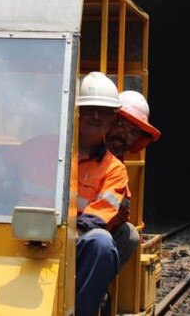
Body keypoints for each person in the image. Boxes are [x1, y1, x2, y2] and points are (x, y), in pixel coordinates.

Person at [75, 71, 129, 316]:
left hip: (74, 242)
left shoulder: (115, 170)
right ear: (75, 111)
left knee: (101, 242)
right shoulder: (44, 147)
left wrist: (65, 237)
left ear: (112, 119)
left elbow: (99, 216)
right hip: (26, 236)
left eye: (103, 111)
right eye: (88, 109)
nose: (95, 116)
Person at [105, 90, 162, 274]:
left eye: (132, 132)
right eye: (120, 124)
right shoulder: (80, 150)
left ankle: (96, 287)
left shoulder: (117, 167)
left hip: (91, 232)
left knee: (128, 235)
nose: (124, 135)